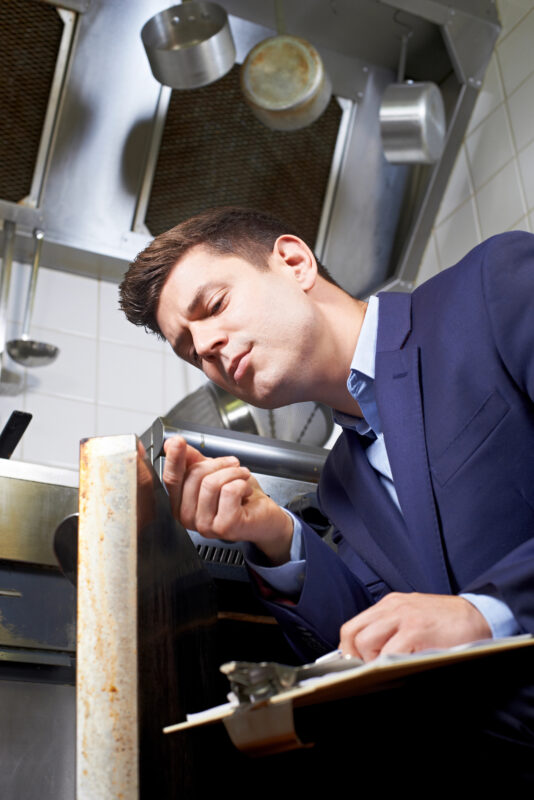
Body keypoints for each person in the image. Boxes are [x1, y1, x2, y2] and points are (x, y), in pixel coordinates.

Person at [119, 206, 534, 782]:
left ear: (293, 261)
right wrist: (272, 533)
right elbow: (373, 636)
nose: (207, 346)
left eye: (213, 307)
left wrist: (487, 612)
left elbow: (462, 617)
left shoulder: (493, 288)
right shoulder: (339, 481)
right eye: (189, 350)